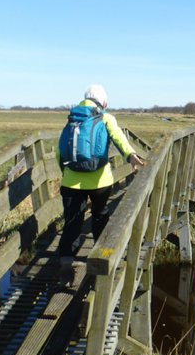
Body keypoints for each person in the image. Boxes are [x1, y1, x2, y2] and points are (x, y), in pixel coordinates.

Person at [57, 85, 146, 277]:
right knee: (100, 215)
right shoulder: (105, 117)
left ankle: (65, 262)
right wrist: (131, 155)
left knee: (72, 221)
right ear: (103, 102)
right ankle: (102, 256)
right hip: (100, 181)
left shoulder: (72, 118)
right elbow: (119, 138)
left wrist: (66, 172)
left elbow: (60, 149)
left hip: (71, 182)